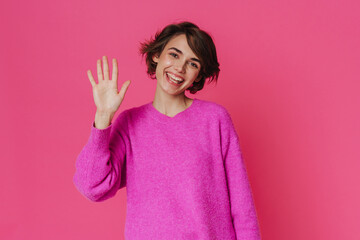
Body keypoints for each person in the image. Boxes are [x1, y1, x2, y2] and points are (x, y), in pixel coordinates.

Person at [73, 21, 261, 239]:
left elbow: (242, 205)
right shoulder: (130, 123)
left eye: (193, 64)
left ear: (198, 76)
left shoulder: (215, 120)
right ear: (156, 55)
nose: (179, 68)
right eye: (174, 54)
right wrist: (103, 116)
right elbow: (92, 186)